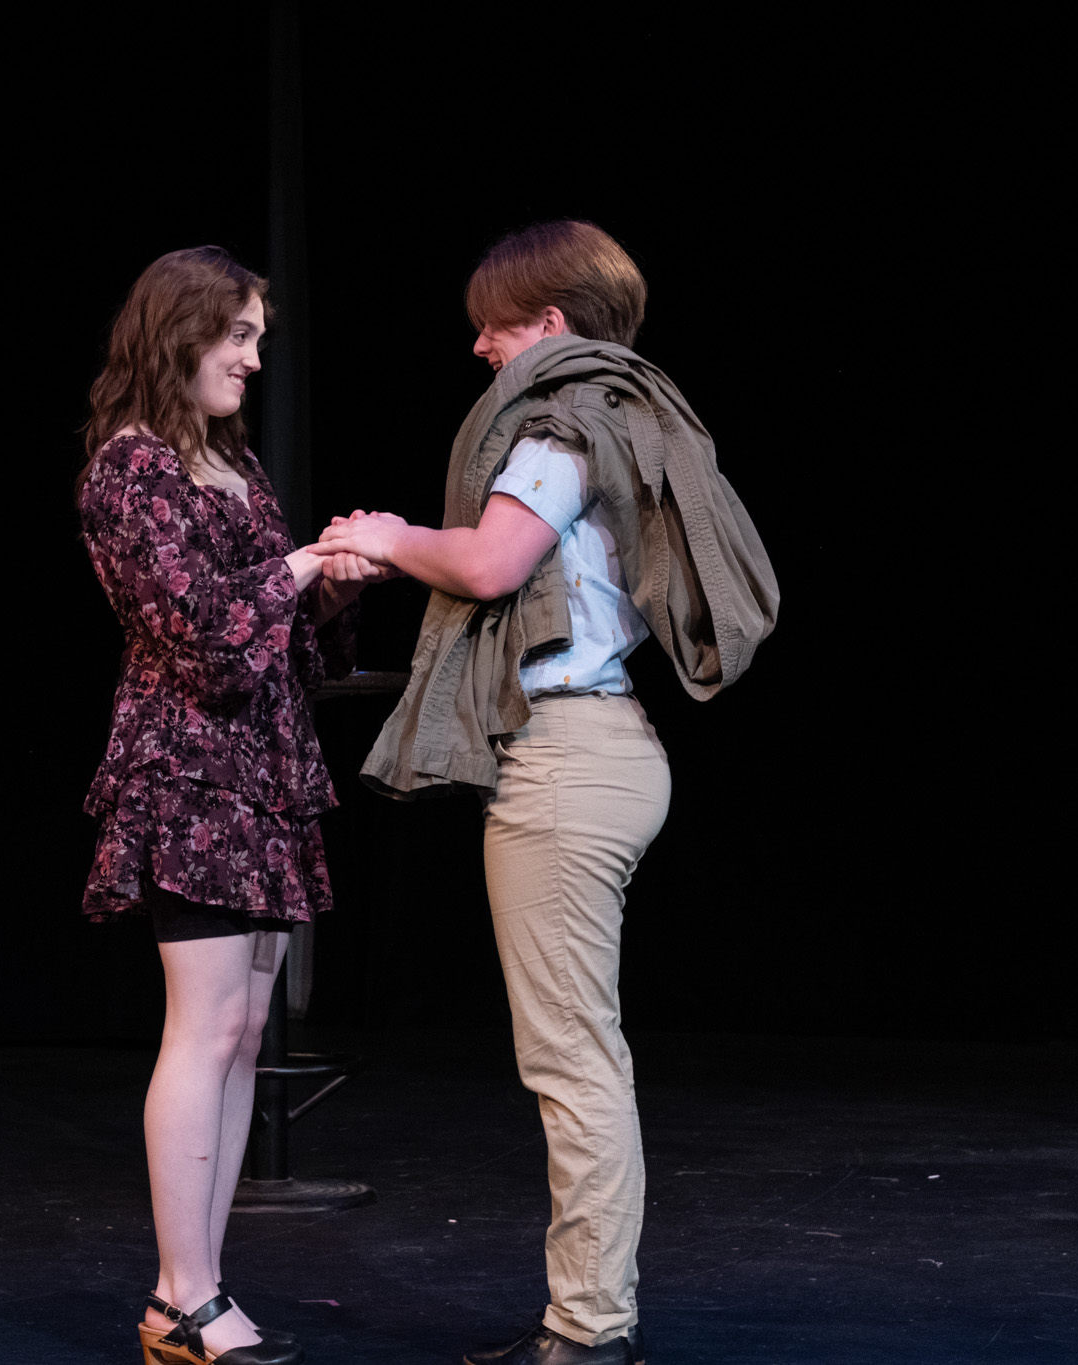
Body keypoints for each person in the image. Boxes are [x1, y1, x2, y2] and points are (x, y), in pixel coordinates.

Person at [313, 221, 780, 1365]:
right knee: (576, 1053)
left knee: (571, 1061)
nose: (479, 346)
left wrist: (385, 537)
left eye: (495, 326)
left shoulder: (561, 421)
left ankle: (587, 1329)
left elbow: (488, 564)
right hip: (597, 749)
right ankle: (586, 1320)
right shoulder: (624, 417)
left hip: (565, 756)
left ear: (551, 326)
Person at [76, 246, 393, 1365]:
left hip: (261, 770)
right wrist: (304, 565)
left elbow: (278, 642)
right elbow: (208, 641)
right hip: (191, 774)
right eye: (240, 335)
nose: (254, 359)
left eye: (258, 337)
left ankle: (194, 1294)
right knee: (204, 1028)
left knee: (245, 1031)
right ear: (183, 332)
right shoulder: (131, 472)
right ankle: (184, 1294)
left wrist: (334, 591)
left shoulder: (233, 465)